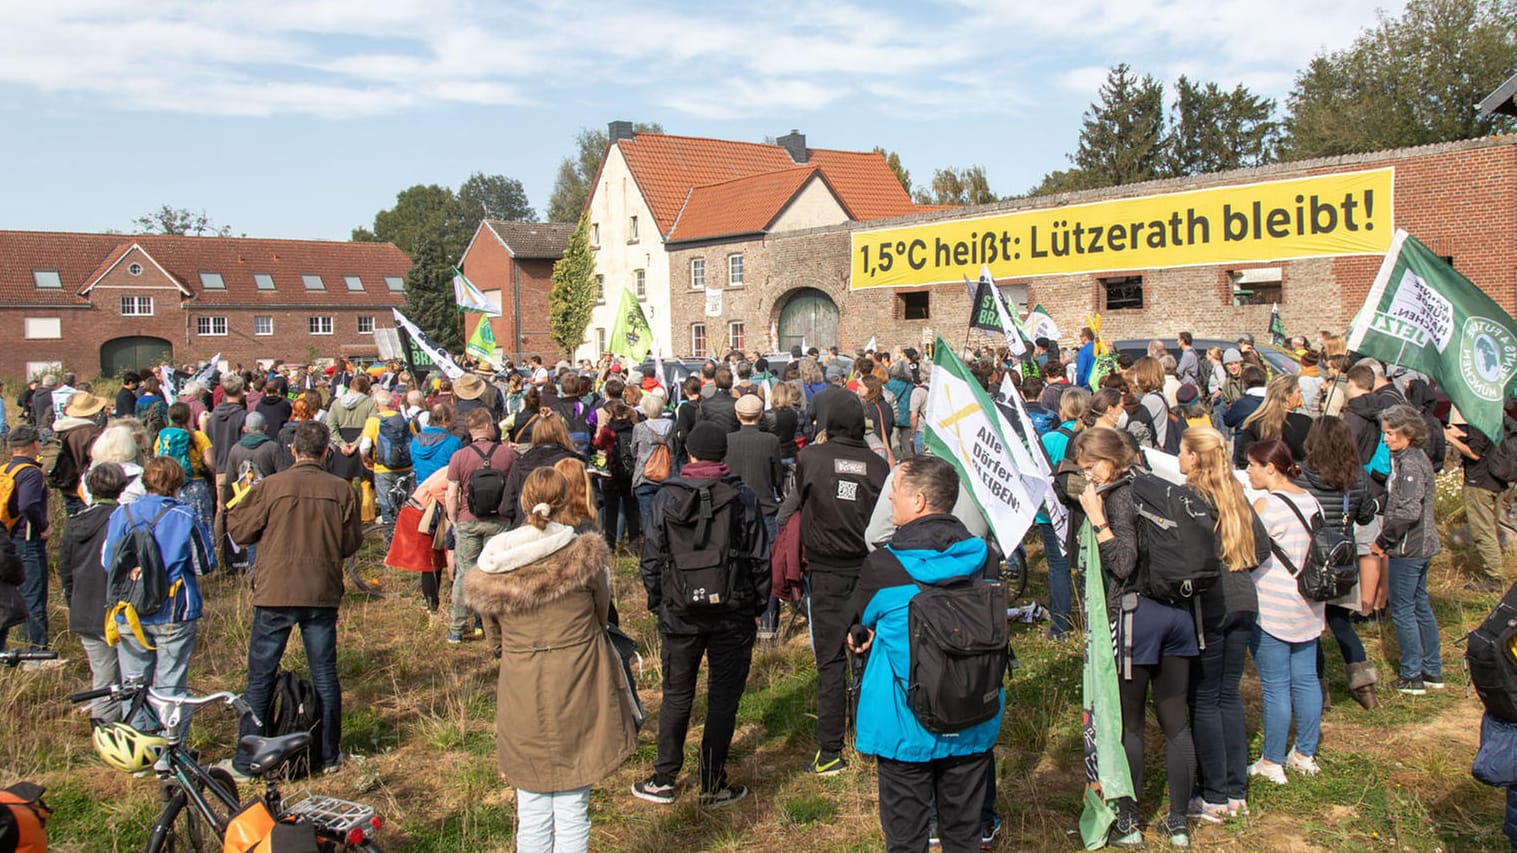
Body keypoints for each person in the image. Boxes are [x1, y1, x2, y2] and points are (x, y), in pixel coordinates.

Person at [466, 469, 638, 852]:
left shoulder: (497, 559)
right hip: (578, 676)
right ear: (566, 501)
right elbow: (601, 612)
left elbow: (494, 638)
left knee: (531, 806)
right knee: (574, 803)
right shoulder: (583, 554)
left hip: (523, 681)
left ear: (524, 501)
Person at [846, 455, 1002, 853]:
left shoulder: (883, 565)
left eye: (894, 493)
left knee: (905, 839)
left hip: (904, 720)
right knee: (964, 836)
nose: (890, 500)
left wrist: (859, 632)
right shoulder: (985, 558)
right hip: (972, 708)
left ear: (917, 501)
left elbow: (858, 617)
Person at [634, 423, 770, 807]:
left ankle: (664, 778)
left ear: (689, 454)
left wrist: (658, 601)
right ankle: (713, 781)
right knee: (723, 698)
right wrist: (756, 606)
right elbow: (761, 558)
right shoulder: (743, 497)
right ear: (722, 455)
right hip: (733, 611)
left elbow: (650, 558)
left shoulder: (666, 496)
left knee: (677, 694)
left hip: (680, 613)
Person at [1072, 427, 1195, 847]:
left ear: (1110, 461)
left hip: (1136, 617)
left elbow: (1123, 562)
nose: (1088, 477)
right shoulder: (1155, 485)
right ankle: (1178, 821)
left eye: (1090, 468)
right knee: (1176, 722)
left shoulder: (1120, 496)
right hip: (1178, 616)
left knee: (1131, 726)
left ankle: (1128, 821)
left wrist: (1097, 518)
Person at [225, 421, 361, 779]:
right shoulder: (342, 490)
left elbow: (240, 531)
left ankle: (246, 759)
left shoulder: (271, 486)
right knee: (324, 675)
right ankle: (330, 755)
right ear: (326, 452)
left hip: (276, 591)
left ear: (293, 450)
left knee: (260, 676)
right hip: (321, 591)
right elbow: (350, 543)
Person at [776, 403, 889, 776]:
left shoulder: (812, 457)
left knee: (829, 661)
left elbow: (797, 503)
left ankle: (830, 751)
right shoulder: (877, 465)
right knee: (870, 654)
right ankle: (870, 739)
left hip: (826, 571)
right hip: (867, 570)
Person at [1181, 427, 1268, 822]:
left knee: (1204, 699)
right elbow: (1261, 547)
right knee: (1228, 696)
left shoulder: (1192, 497)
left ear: (1195, 459)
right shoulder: (1235, 493)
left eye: (1183, 452)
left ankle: (1214, 793)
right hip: (1244, 599)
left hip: (1212, 604)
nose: (1180, 459)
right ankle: (1236, 791)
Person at [104, 457, 214, 734]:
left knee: (133, 684)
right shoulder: (184, 516)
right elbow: (204, 565)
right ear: (177, 484)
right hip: (174, 609)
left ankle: (138, 749)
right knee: (171, 686)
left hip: (129, 609)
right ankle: (169, 755)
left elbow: (108, 562)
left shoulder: (121, 514)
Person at [1243, 439, 1326, 785]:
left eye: (1252, 465)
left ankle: (1272, 760)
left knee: (1276, 686)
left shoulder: (1268, 505)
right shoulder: (1311, 500)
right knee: (1306, 680)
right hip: (1309, 603)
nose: (1247, 472)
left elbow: (1246, 548)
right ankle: (1305, 753)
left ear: (1270, 468)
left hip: (1274, 607)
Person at [1299, 416, 1381, 709]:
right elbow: (1366, 515)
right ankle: (1364, 685)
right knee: (1341, 622)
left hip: (1311, 561)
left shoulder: (1303, 475)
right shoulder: (1356, 476)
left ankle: (1319, 692)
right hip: (1343, 560)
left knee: (1313, 628)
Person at [1372, 404, 1443, 695]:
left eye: (1390, 433)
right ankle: (1432, 669)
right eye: (1384, 433)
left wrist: (1383, 540)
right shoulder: (1409, 458)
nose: (1385, 438)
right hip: (1420, 545)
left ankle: (1412, 674)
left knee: (1403, 610)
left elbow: (1408, 511)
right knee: (1420, 605)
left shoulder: (1411, 463)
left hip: (1409, 547)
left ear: (1408, 433)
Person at [445, 408, 519, 650]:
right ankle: (502, 628)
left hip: (469, 520)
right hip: (498, 521)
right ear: (489, 426)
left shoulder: (459, 457)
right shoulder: (507, 455)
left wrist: (454, 519)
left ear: (470, 429)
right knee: (496, 573)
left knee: (464, 575)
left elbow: (452, 493)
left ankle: (456, 628)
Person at [59, 463, 127, 711]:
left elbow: (65, 571)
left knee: (103, 677)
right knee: (122, 682)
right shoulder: (124, 519)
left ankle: (106, 730)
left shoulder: (74, 522)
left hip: (83, 608)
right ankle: (114, 736)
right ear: (122, 487)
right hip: (115, 611)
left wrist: (73, 601)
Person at [1040, 387, 1088, 639]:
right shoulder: (1090, 437)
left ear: (1062, 410)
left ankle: (1060, 624)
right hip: (1081, 508)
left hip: (1051, 512)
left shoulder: (1049, 440)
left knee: (1058, 567)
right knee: (1083, 564)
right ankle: (1090, 617)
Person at [1447, 415, 1508, 592]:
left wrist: (1450, 438)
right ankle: (1494, 570)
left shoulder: (1479, 419)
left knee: (1483, 531)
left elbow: (1474, 453)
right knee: (1491, 528)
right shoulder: (1497, 417)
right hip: (1497, 480)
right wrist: (1462, 433)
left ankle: (1494, 578)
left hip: (1479, 483)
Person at [5, 426, 48, 652]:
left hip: (7, 539)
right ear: (34, 444)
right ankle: (36, 651)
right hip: (27, 541)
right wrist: (43, 526)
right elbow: (28, 504)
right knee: (33, 597)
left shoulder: (5, 470)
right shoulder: (31, 472)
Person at [726, 394, 781, 541]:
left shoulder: (728, 440)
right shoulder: (771, 440)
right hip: (765, 505)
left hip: (736, 505)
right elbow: (777, 477)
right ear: (761, 414)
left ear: (738, 415)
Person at [360, 388, 414, 538]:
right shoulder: (404, 418)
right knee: (405, 505)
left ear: (376, 403)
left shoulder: (374, 421)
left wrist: (366, 460)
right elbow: (415, 440)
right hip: (406, 467)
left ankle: (391, 544)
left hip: (383, 468)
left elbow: (364, 447)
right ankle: (406, 540)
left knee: (386, 505)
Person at [593, 402, 641, 553]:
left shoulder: (608, 430)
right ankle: (634, 544)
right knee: (631, 510)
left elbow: (598, 445)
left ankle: (610, 545)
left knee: (611, 511)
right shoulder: (633, 427)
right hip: (630, 473)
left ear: (611, 414)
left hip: (612, 473)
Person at [53, 392, 108, 517]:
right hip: (85, 487)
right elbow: (97, 459)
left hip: (66, 484)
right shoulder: (90, 431)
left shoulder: (59, 428)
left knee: (73, 518)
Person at [1239, 374, 1312, 463]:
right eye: (1298, 392)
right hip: (1294, 474)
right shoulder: (1304, 422)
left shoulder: (1254, 422)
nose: (1300, 396)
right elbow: (1311, 457)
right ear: (1287, 396)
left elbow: (1243, 457)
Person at [631, 393, 674, 541]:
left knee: (647, 516)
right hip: (667, 475)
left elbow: (634, 451)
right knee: (666, 515)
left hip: (644, 477)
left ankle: (651, 549)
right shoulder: (671, 426)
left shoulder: (639, 428)